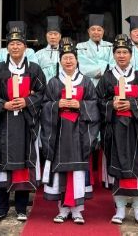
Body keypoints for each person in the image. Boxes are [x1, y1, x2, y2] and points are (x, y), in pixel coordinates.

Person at [0, 23, 47, 223]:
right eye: (11, 44)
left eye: (19, 44)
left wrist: (27, 101)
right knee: (3, 167)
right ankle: (0, 209)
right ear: (7, 47)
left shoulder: (34, 69)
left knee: (23, 165)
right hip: (4, 125)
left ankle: (21, 208)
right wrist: (4, 104)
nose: (15, 47)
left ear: (25, 47)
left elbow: (43, 93)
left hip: (26, 125)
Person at [97, 34, 138, 226]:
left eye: (125, 52)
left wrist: (132, 105)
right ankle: (120, 208)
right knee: (118, 167)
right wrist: (111, 106)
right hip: (115, 131)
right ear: (113, 55)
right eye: (118, 52)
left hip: (136, 131)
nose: (121, 55)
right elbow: (97, 102)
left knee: (137, 168)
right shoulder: (107, 78)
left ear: (131, 55)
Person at [41, 37, 100, 225]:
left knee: (78, 171)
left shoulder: (86, 82)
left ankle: (77, 211)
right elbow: (45, 105)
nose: (68, 61)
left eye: (71, 58)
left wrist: (80, 105)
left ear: (77, 60)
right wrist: (57, 105)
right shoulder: (53, 82)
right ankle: (62, 209)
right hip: (59, 132)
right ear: (60, 61)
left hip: (80, 133)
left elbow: (95, 105)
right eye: (65, 58)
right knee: (61, 171)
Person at [76, 14, 114, 86]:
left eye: (99, 30)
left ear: (103, 31)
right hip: (87, 83)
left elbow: (113, 64)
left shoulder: (110, 46)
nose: (96, 32)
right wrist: (104, 66)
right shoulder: (80, 47)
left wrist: (103, 72)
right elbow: (82, 65)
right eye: (93, 29)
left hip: (106, 83)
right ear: (88, 31)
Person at [34, 15, 63, 82]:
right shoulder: (38, 54)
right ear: (46, 36)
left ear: (60, 36)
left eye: (55, 34)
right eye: (50, 34)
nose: (53, 37)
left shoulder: (65, 53)